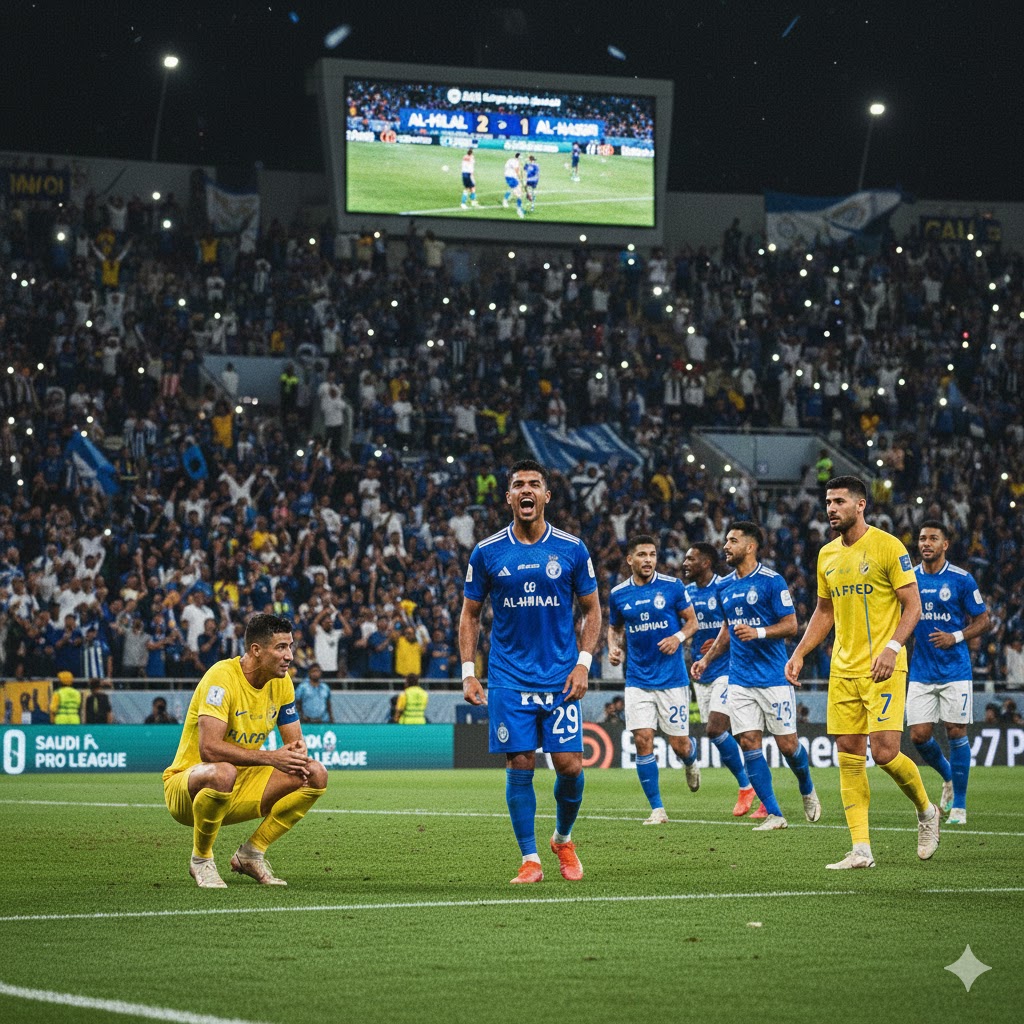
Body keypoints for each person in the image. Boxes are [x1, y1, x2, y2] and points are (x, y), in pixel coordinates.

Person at [785, 476, 939, 870]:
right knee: (849, 754)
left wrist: (893, 647)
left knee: (885, 752)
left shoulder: (888, 546)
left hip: (884, 667)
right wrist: (800, 651)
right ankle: (861, 849)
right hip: (843, 670)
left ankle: (926, 810)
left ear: (860, 505)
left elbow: (914, 606)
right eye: (828, 502)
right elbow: (824, 611)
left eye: (839, 501)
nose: (831, 509)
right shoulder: (827, 555)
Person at [460, 459, 601, 884]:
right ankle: (530, 859)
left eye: (534, 484)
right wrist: (469, 671)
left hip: (560, 677)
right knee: (520, 763)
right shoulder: (487, 551)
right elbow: (470, 614)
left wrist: (583, 663)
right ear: (509, 497)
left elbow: (593, 610)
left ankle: (563, 839)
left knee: (570, 766)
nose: (526, 490)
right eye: (519, 484)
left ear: (546, 496)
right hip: (508, 676)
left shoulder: (572, 549)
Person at [162, 613, 328, 889]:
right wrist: (271, 757)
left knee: (314, 773)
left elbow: (296, 745)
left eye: (290, 647)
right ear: (256, 650)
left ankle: (251, 854)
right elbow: (209, 749)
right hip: (188, 789)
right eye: (281, 647)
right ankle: (201, 859)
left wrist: (297, 753)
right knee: (223, 772)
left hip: (240, 784)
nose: (289, 656)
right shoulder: (221, 677)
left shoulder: (282, 682)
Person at [692, 522, 820, 831]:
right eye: (726, 540)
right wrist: (706, 660)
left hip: (773, 678)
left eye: (733, 541)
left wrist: (759, 632)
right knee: (749, 742)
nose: (726, 546)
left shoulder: (771, 581)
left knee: (788, 746)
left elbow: (791, 625)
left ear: (750, 547)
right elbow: (727, 629)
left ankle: (806, 786)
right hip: (739, 679)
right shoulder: (724, 586)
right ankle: (775, 814)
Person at [607, 534, 701, 824]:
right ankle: (657, 809)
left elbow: (693, 622)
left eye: (652, 554)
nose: (648, 560)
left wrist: (677, 637)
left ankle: (690, 761)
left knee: (679, 744)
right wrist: (613, 647)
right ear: (630, 559)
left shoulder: (672, 587)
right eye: (642, 555)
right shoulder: (619, 594)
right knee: (642, 740)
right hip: (637, 679)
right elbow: (614, 628)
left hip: (672, 679)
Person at [908, 520, 990, 825]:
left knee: (956, 730)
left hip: (955, 670)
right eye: (922, 538)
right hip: (921, 670)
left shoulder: (961, 579)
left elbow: (983, 620)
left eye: (933, 538)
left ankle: (960, 807)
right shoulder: (909, 579)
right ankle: (948, 777)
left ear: (945, 545)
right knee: (919, 736)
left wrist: (954, 637)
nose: (926, 543)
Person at [682, 543, 756, 817]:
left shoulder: (724, 587)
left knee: (714, 729)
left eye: (691, 559)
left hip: (728, 670)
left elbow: (739, 625)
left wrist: (720, 643)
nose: (685, 563)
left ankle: (746, 786)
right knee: (738, 735)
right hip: (702, 673)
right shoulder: (687, 593)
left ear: (706, 563)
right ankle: (762, 790)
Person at [501, 152, 526, 219]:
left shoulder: (510, 160)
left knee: (512, 189)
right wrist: (521, 178)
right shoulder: (516, 162)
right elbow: (517, 171)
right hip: (512, 178)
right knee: (519, 193)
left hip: (509, 177)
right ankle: (519, 209)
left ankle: (505, 201)